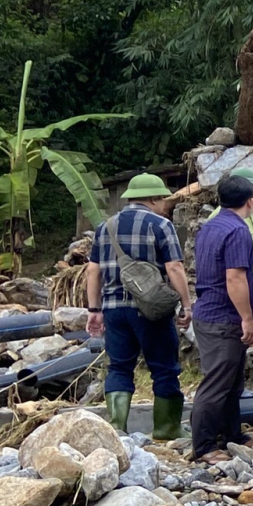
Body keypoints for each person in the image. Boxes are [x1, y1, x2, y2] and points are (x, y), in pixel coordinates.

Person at [86, 172, 193, 439]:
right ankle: (167, 428)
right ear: (154, 198)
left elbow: (92, 271)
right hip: (151, 310)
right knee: (164, 367)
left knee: (119, 367)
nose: (165, 205)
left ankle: (118, 427)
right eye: (163, 200)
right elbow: (174, 267)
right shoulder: (161, 225)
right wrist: (186, 303)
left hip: (113, 309)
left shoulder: (105, 226)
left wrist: (94, 310)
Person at [190, 175, 253, 461]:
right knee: (218, 383)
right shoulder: (238, 230)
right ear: (250, 201)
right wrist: (247, 317)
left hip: (207, 311)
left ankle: (233, 435)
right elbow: (234, 277)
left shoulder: (210, 226)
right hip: (224, 317)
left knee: (232, 382)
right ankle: (204, 445)